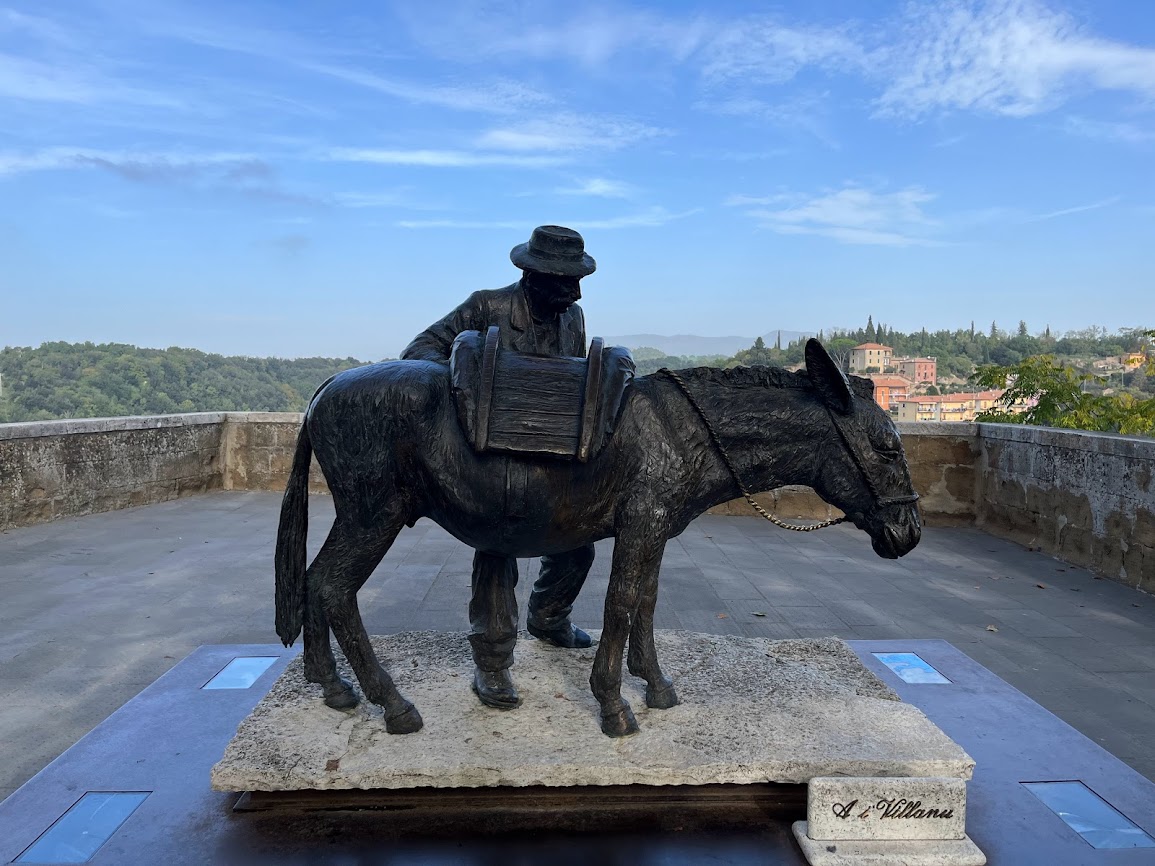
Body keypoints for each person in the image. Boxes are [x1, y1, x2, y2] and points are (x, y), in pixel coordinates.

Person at [401, 225, 597, 710]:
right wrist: (473, 394)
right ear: (532, 276)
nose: (574, 290)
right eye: (563, 280)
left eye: (577, 280)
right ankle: (492, 663)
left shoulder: (572, 316)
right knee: (497, 549)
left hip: (549, 457)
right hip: (492, 461)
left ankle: (549, 619)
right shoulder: (486, 306)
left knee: (579, 546)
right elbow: (420, 353)